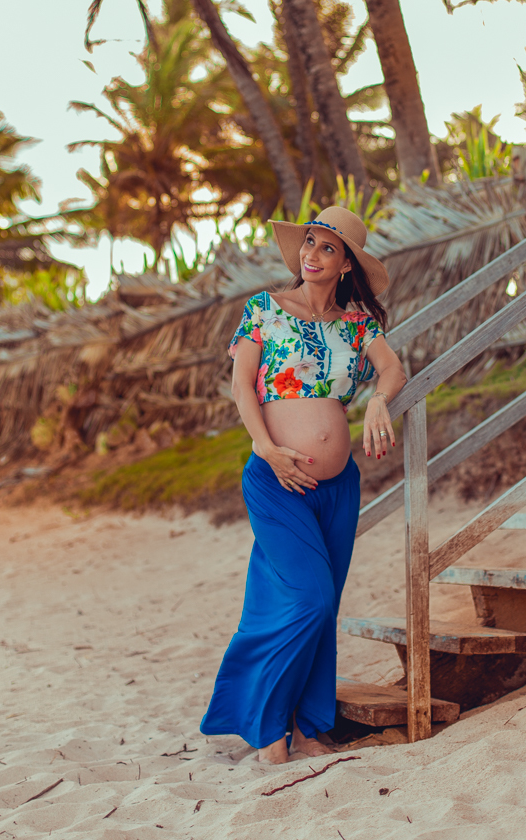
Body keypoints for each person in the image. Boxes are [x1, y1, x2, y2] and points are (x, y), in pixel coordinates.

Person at [200, 206, 408, 765]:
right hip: (276, 479)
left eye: (326, 249)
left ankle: (310, 726)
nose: (311, 255)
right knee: (308, 600)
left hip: (337, 489)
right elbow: (244, 387)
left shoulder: (359, 325)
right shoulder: (265, 310)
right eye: (309, 244)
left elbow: (393, 370)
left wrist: (379, 402)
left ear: (345, 266)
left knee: (325, 604)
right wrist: (265, 448)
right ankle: (269, 725)